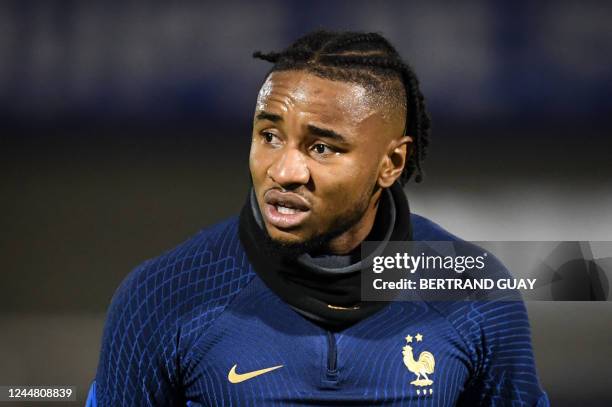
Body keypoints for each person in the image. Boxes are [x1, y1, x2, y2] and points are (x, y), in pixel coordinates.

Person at [86, 30, 549, 406]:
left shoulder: (476, 296)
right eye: (269, 136)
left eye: (321, 148)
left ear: (391, 164)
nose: (284, 171)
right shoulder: (164, 295)